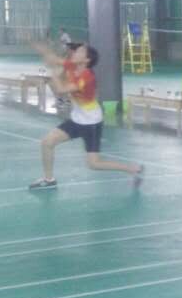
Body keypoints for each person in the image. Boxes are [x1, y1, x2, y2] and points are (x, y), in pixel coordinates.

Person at [29, 41, 143, 190]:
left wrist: (53, 73)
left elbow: (61, 90)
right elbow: (55, 60)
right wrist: (43, 51)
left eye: (80, 52)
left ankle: (133, 169)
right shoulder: (74, 65)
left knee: (94, 164)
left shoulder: (86, 77)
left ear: (86, 60)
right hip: (77, 120)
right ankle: (49, 179)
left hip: (91, 123)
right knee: (47, 142)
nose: (75, 52)